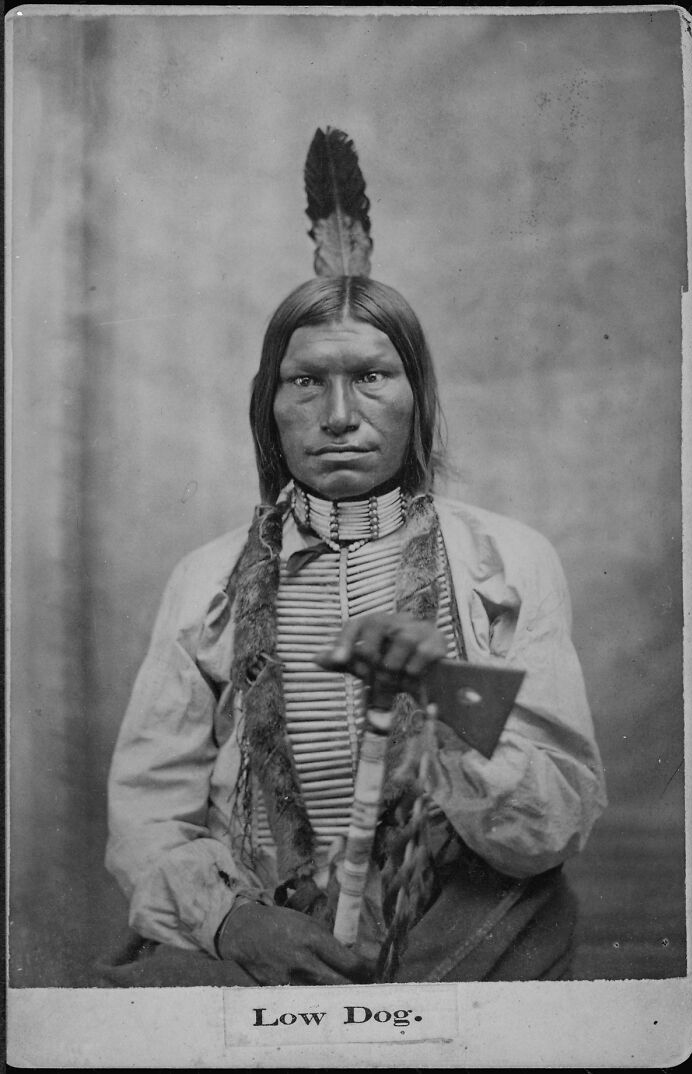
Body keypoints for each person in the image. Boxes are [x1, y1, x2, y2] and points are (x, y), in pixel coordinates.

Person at [102, 275, 607, 987]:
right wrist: (233, 922)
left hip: (473, 944)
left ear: (417, 398)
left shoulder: (506, 564)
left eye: (372, 376)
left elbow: (551, 826)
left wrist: (444, 695)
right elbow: (148, 813)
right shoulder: (207, 580)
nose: (339, 415)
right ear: (269, 407)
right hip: (267, 941)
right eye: (306, 381)